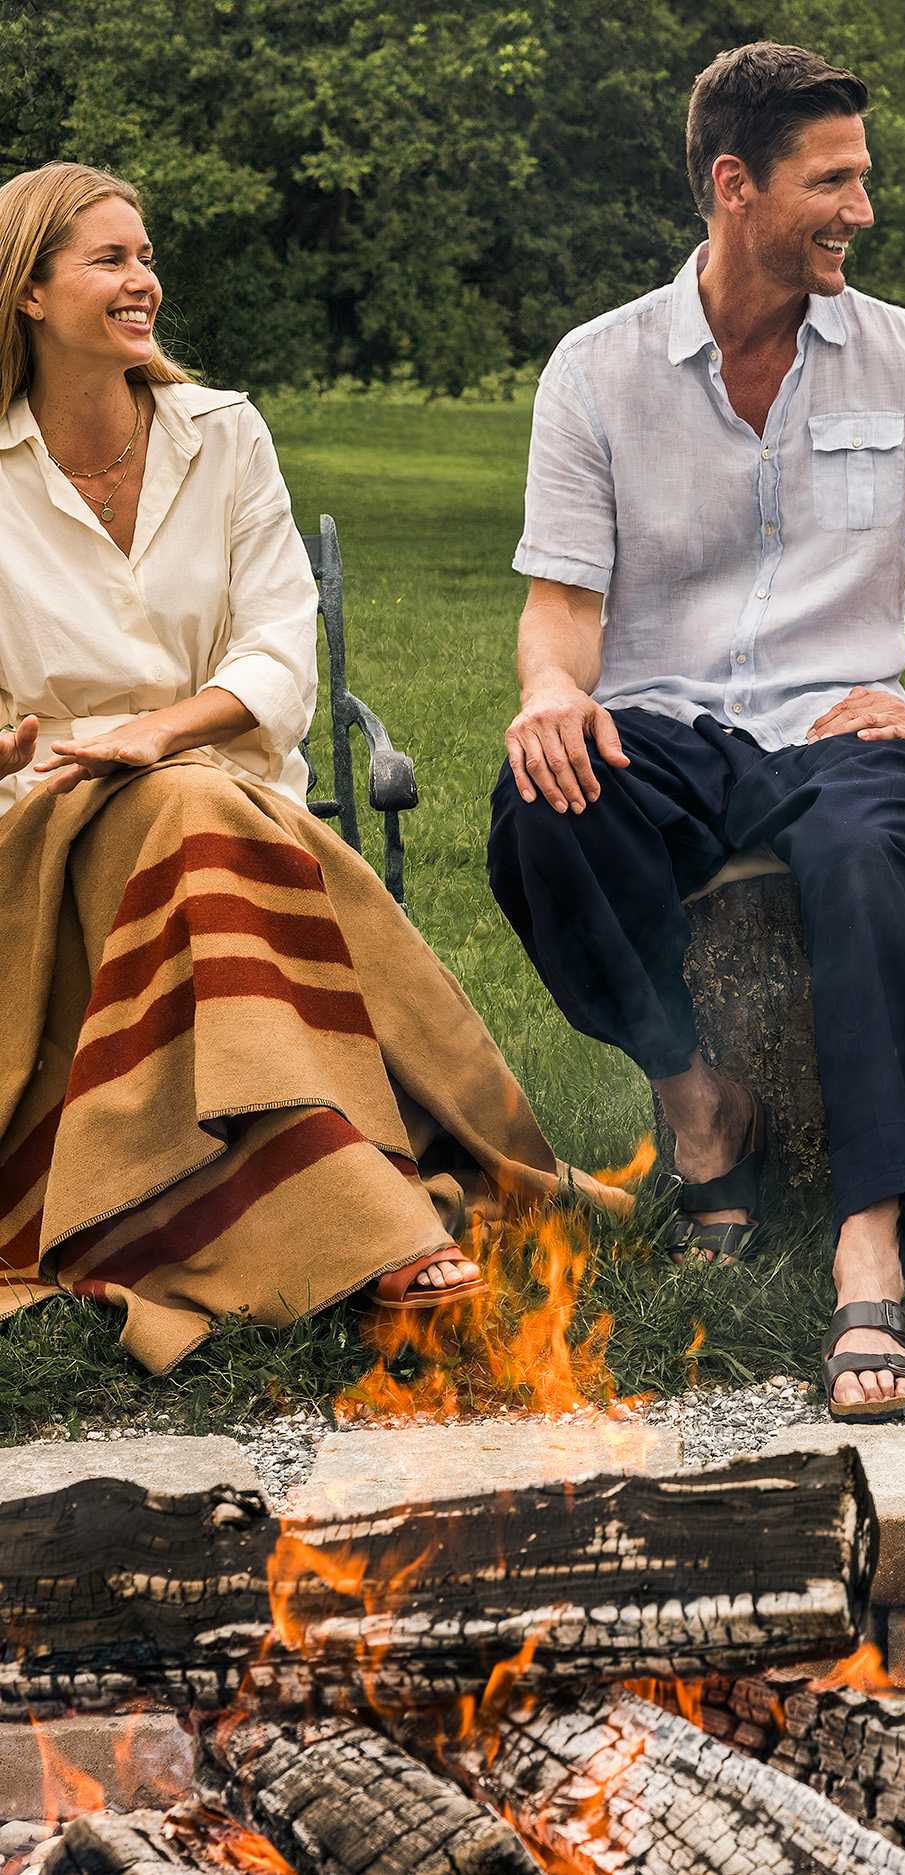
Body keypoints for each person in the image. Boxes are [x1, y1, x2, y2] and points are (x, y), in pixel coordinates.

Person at [487, 43, 905, 1422]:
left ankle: (869, 1248)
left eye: (863, 179)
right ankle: (702, 1103)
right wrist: (548, 692)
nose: (861, 211)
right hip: (667, 727)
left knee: (868, 869)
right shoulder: (598, 370)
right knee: (538, 807)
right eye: (833, 182)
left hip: (843, 731)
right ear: (733, 185)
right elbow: (561, 604)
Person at [0, 162, 627, 1375]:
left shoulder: (221, 435)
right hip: (44, 842)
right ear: (27, 293)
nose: (147, 281)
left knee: (189, 802)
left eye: (146, 255)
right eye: (111, 260)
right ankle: (381, 1205)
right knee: (180, 805)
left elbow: (282, 643)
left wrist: (167, 733)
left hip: (227, 813)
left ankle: (317, 1208)